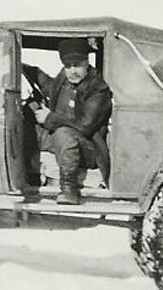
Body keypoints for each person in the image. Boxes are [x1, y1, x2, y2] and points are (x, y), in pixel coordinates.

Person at [21, 38, 112, 204]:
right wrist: (27, 69)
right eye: (67, 66)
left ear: (87, 62)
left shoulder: (98, 88)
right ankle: (30, 179)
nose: (72, 71)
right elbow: (49, 86)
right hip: (64, 143)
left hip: (89, 148)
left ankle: (69, 189)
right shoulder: (65, 80)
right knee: (27, 125)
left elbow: (85, 124)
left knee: (63, 133)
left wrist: (50, 118)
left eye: (77, 65)